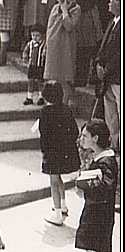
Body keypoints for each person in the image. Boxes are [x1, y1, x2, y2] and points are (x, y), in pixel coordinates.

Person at [74, 119, 118, 252]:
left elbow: (105, 187)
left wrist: (85, 191)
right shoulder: (106, 157)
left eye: (85, 136)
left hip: (96, 214)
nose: (82, 139)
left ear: (95, 138)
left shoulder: (104, 161)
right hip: (104, 214)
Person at [35, 79, 80, 225]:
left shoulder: (45, 113)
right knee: (59, 179)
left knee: (54, 182)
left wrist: (44, 152)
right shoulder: (67, 109)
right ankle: (64, 204)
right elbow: (75, 131)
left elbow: (44, 136)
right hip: (66, 151)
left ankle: (58, 213)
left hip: (53, 153)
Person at [44, 0, 81, 105]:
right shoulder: (54, 8)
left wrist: (65, 11)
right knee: (53, 78)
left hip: (66, 47)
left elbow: (69, 26)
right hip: (54, 47)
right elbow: (50, 29)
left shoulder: (75, 8)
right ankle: (54, 105)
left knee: (64, 79)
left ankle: (64, 106)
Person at [69, 0, 103, 86]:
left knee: (85, 48)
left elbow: (91, 0)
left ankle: (82, 81)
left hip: (86, 18)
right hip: (74, 16)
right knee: (76, 47)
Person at [94, 0, 121, 152]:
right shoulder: (113, 21)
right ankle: (115, 142)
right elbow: (104, 47)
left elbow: (119, 53)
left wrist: (107, 69)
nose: (109, 2)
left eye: (113, 0)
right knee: (110, 112)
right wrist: (98, 64)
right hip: (107, 77)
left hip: (117, 75)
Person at [21, 24, 47, 105]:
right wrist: (25, 58)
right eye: (33, 35)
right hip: (32, 66)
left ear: (42, 35)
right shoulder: (30, 44)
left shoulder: (44, 44)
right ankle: (29, 97)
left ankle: (41, 97)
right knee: (30, 81)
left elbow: (46, 53)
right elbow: (25, 51)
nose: (35, 37)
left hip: (40, 66)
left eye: (37, 35)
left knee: (40, 82)